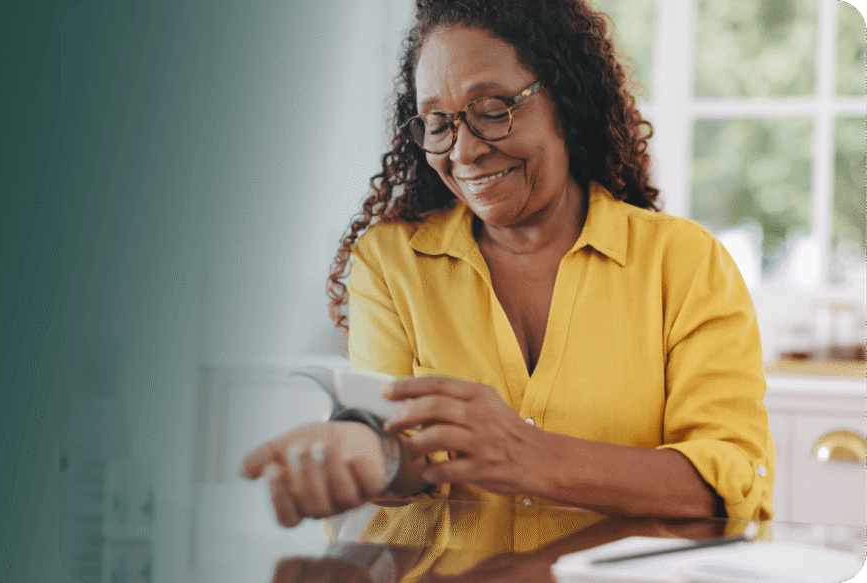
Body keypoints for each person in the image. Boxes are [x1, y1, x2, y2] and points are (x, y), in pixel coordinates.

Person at [241, 0, 774, 539]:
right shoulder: (391, 262)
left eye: (493, 108)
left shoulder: (684, 262)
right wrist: (368, 451)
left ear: (566, 99)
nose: (466, 151)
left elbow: (728, 481)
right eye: (438, 123)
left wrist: (534, 457)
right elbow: (401, 449)